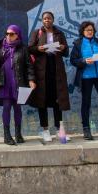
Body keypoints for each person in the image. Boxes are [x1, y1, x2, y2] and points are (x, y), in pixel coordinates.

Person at [28, 11, 70, 142]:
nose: (47, 20)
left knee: (58, 99)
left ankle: (59, 130)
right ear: (42, 20)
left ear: (53, 20)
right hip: (41, 70)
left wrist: (63, 47)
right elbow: (29, 49)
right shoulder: (37, 33)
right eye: (45, 19)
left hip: (56, 69)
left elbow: (66, 52)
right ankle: (45, 130)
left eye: (49, 18)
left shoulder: (59, 33)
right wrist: (39, 49)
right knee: (43, 100)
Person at [0, 25, 36, 145]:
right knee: (6, 107)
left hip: (19, 82)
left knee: (17, 108)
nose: (9, 36)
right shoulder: (1, 46)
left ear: (17, 35)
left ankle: (18, 134)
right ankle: (6, 135)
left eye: (12, 34)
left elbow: (29, 66)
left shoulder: (23, 48)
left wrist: (31, 80)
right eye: (7, 33)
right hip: (5, 82)